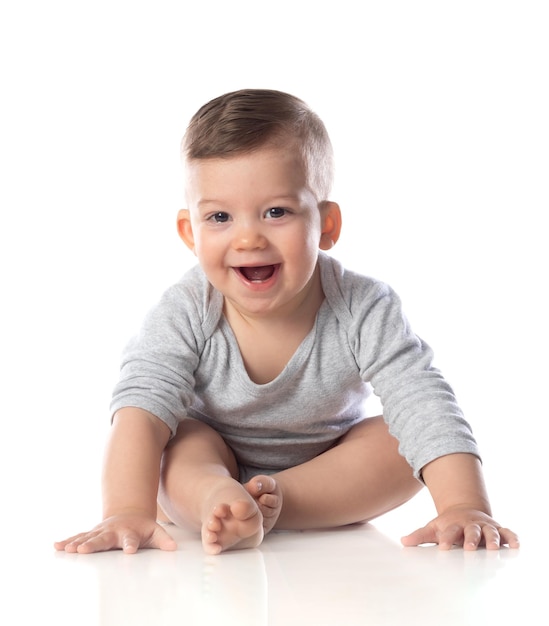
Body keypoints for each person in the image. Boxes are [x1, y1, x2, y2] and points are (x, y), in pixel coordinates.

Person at [55, 89, 519, 556]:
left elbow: (421, 398)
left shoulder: (362, 305)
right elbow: (140, 406)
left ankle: (269, 506)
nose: (248, 237)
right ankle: (218, 499)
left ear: (327, 225)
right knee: (178, 442)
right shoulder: (187, 309)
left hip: (324, 472)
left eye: (276, 212)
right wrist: (124, 510)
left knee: (400, 439)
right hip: (209, 461)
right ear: (189, 234)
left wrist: (464, 503)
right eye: (219, 216)